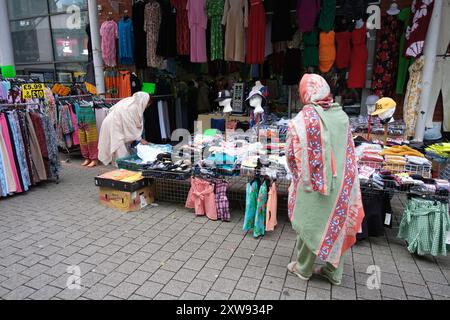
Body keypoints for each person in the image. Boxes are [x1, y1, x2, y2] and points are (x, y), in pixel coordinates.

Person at [285, 74, 364, 285]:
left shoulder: (303, 120)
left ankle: (303, 268)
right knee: (337, 224)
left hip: (314, 184)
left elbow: (291, 155)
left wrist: (296, 178)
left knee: (309, 223)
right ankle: (334, 272)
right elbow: (349, 151)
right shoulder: (342, 115)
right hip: (343, 182)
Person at [98, 92, 151, 166]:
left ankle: (121, 171)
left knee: (120, 152)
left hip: (113, 123)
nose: (147, 107)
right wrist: (140, 139)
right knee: (121, 153)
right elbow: (130, 126)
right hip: (114, 125)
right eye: (147, 104)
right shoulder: (132, 107)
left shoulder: (130, 101)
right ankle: (122, 172)